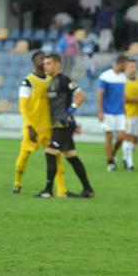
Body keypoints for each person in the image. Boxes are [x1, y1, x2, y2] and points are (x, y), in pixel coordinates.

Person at [36, 54, 94, 198]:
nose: (45, 66)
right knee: (71, 156)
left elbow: (80, 95)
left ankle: (48, 190)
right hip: (59, 125)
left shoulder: (63, 80)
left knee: (50, 152)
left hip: (63, 125)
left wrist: (70, 111)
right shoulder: (51, 82)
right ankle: (88, 189)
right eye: (44, 64)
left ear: (57, 65)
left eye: (48, 63)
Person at [12, 51, 69, 197]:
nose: (43, 61)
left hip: (49, 127)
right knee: (23, 158)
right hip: (33, 128)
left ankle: (61, 189)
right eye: (40, 58)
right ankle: (17, 183)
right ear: (34, 62)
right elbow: (23, 106)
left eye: (45, 58)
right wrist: (29, 126)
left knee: (56, 158)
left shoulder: (51, 79)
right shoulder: (28, 81)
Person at [97, 55, 127, 171]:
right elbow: (100, 94)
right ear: (121, 63)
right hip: (107, 112)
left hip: (120, 112)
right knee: (108, 137)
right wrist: (100, 112)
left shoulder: (124, 77)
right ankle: (110, 162)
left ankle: (112, 153)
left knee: (121, 137)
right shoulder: (105, 76)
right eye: (126, 64)